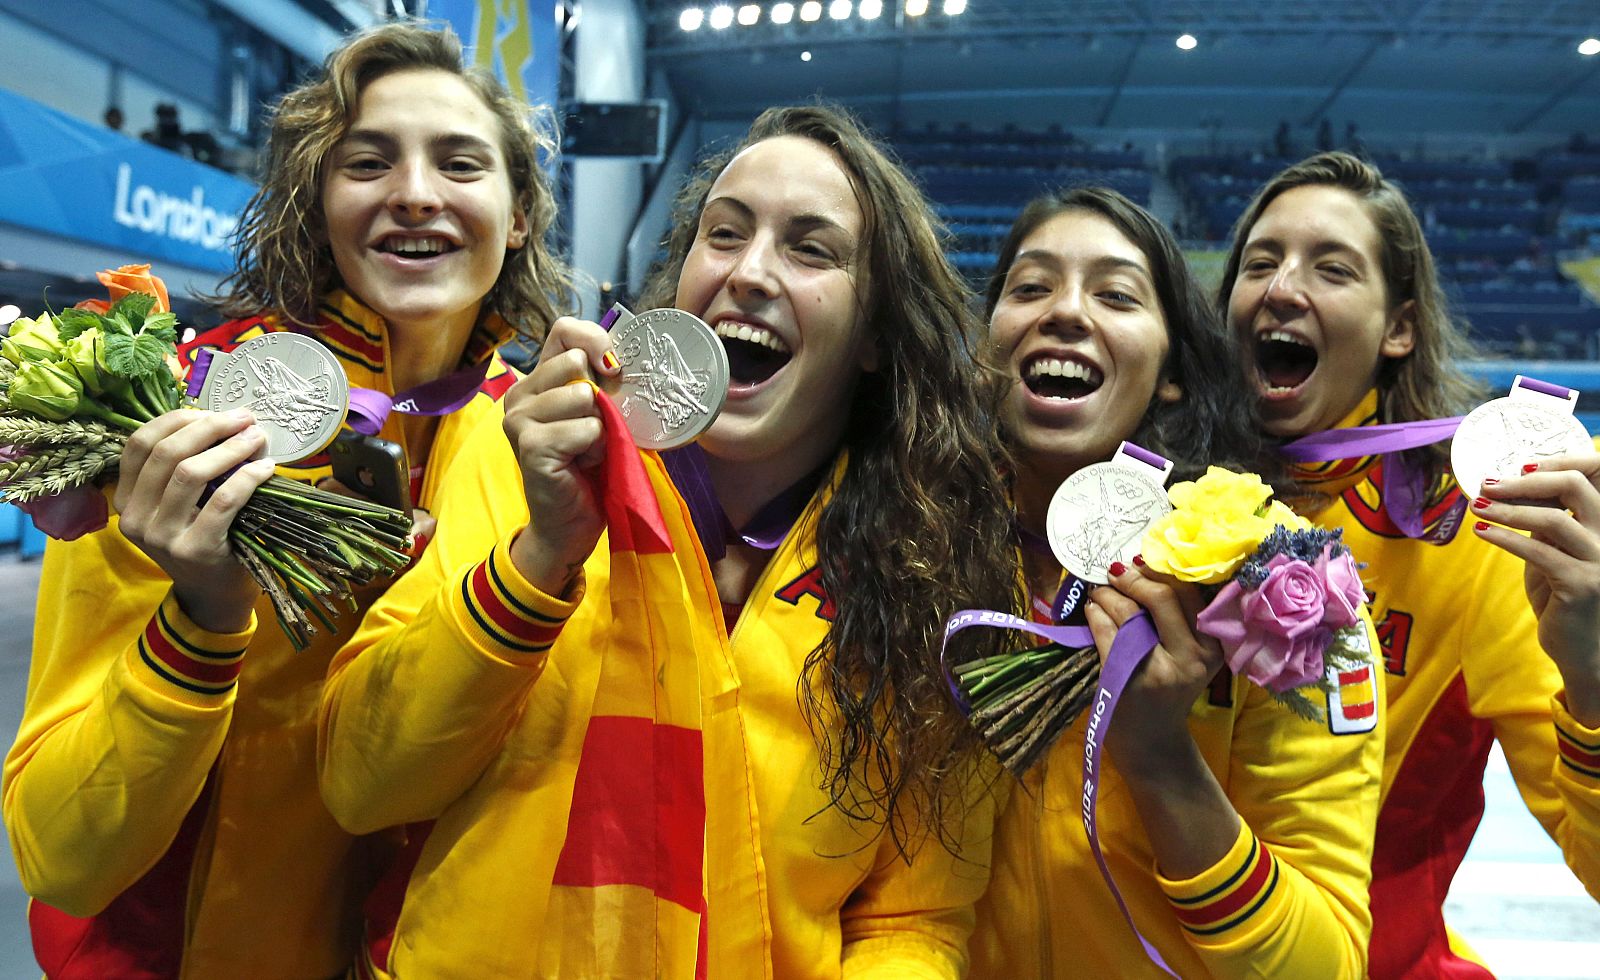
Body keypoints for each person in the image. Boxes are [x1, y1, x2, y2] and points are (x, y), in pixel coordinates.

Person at [317, 104, 1019, 978]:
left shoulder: (935, 569)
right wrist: (541, 556)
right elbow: (362, 784)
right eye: (724, 234)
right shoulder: (524, 457)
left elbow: (915, 919)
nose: (750, 272)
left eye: (810, 249)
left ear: (876, 332)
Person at [3, 23, 569, 977]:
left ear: (517, 215)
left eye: (460, 163)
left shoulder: (538, 442)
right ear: (318, 203)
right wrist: (202, 618)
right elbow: (59, 854)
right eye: (368, 162)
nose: (415, 192)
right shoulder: (185, 412)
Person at [968, 187, 1385, 978]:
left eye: (1116, 295)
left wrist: (1160, 756)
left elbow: (1326, 965)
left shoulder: (1283, 586)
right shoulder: (909, 549)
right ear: (987, 347)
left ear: (1170, 373)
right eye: (1030, 287)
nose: (1065, 311)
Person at [1220, 150, 1600, 977]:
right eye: (1260, 261)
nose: (1282, 287)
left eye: (1332, 269)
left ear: (1399, 329)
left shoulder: (1481, 534)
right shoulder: (1148, 499)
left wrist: (1593, 667)